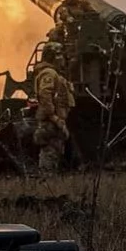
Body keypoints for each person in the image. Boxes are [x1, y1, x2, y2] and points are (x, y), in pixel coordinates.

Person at [33, 43, 75, 175]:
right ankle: (46, 183)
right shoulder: (49, 73)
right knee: (49, 152)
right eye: (60, 55)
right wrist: (55, 118)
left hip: (55, 121)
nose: (63, 58)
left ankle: (49, 183)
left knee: (55, 151)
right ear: (53, 57)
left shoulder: (54, 74)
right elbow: (45, 96)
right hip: (51, 122)